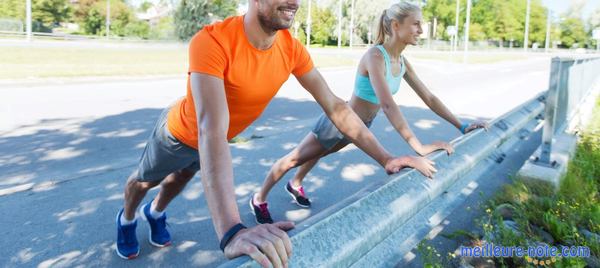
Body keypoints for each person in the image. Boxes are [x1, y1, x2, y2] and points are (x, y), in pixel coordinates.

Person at [114, 0, 437, 267]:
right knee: (143, 182)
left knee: (180, 178)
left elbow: (336, 107)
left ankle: (155, 213)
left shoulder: (291, 49)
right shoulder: (211, 41)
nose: (295, 2)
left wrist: (387, 158)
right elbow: (210, 129)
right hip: (178, 133)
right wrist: (230, 230)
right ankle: (127, 220)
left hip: (208, 144)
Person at [250, 1, 488, 224]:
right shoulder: (376, 56)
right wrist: (418, 146)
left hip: (362, 126)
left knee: (319, 153)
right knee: (294, 158)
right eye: (416, 23)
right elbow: (387, 104)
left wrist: (462, 126)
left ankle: (296, 183)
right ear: (396, 26)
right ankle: (259, 198)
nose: (421, 30)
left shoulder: (402, 61)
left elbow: (430, 97)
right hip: (340, 122)